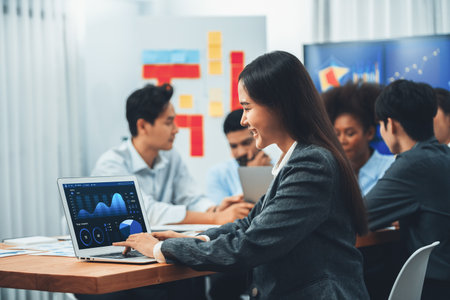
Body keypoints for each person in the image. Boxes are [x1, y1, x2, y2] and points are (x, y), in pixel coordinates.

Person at [114, 51, 369, 299]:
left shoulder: (311, 163)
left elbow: (248, 246)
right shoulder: (299, 157)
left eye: (247, 108)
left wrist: (160, 248)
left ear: (279, 106)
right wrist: (189, 239)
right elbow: (249, 224)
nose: (244, 120)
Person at [91, 83, 253, 226]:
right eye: (169, 122)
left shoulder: (170, 156)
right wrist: (215, 218)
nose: (176, 130)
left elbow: (190, 198)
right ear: (142, 126)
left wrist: (215, 209)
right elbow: (146, 212)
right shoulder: (111, 165)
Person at [365, 80, 450, 300]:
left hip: (431, 287)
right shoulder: (442, 155)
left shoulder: (413, 163)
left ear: (390, 124)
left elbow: (359, 216)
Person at [322, 81, 394, 195]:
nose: (342, 141)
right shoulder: (329, 173)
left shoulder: (391, 168)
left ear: (369, 133)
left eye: (350, 133)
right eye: (337, 134)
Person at [206, 108, 271, 204]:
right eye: (233, 146)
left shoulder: (279, 167)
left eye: (246, 143)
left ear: (258, 136)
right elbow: (223, 215)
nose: (241, 152)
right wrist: (253, 175)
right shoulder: (218, 174)